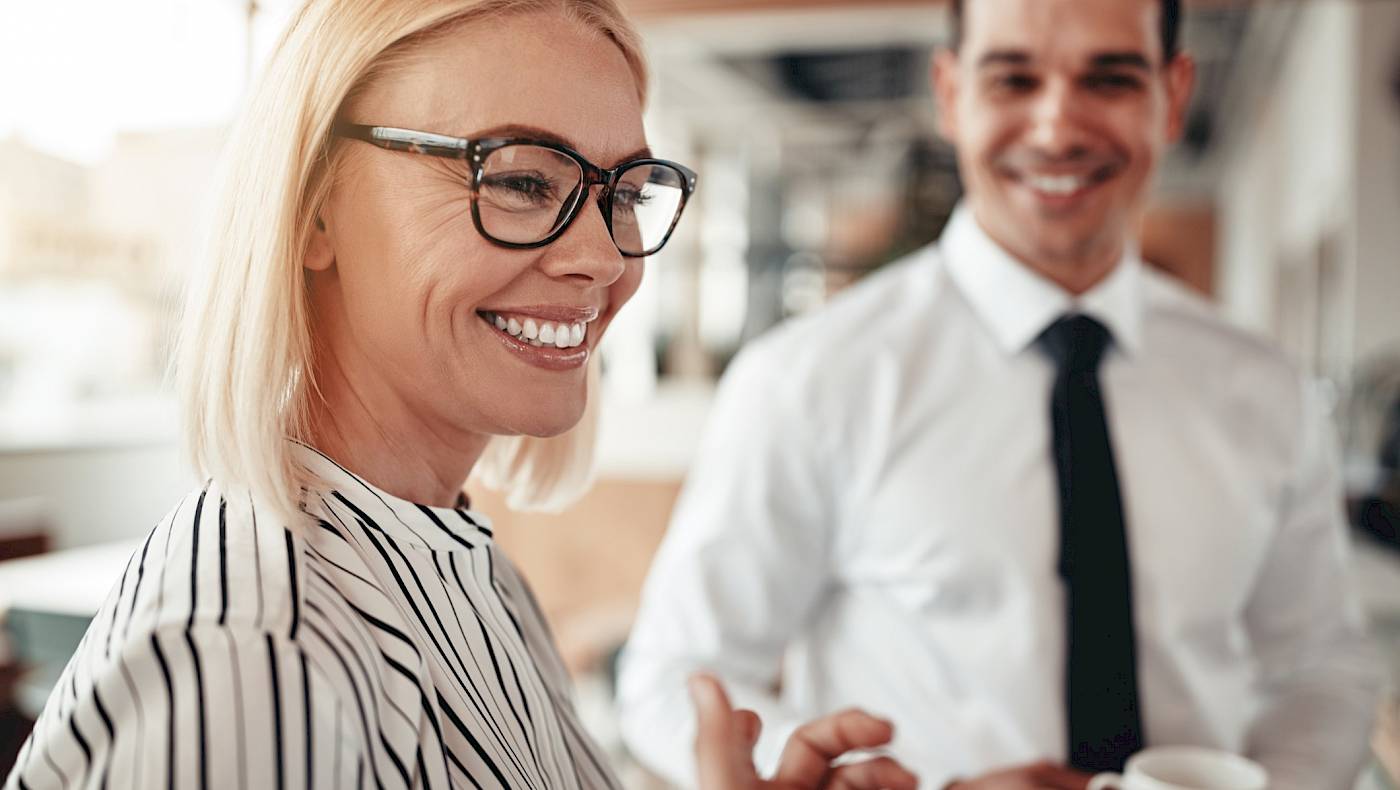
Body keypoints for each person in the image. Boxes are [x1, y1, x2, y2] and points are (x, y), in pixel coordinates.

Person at [1, 2, 920, 789]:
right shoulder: (251, 656)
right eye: (522, 179)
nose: (604, 258)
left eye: (626, 192)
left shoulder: (468, 565)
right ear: (313, 206)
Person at [617, 0, 1382, 788]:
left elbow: (1320, 668)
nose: (1057, 127)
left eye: (1110, 78)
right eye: (1013, 78)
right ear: (950, 93)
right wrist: (833, 776)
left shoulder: (1265, 387)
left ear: (1174, 96)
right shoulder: (809, 380)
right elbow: (675, 676)